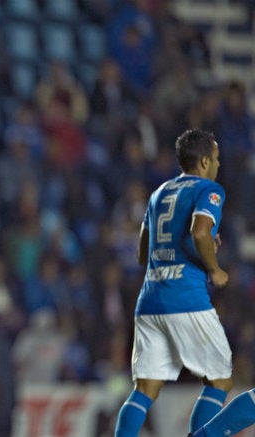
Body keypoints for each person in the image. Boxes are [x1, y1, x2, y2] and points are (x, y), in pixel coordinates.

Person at [113, 129, 233, 437]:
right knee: (219, 379)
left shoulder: (159, 193)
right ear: (204, 161)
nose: (218, 165)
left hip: (150, 300)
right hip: (186, 299)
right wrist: (214, 267)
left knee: (144, 390)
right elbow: (199, 232)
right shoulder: (209, 190)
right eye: (216, 159)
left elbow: (143, 251)